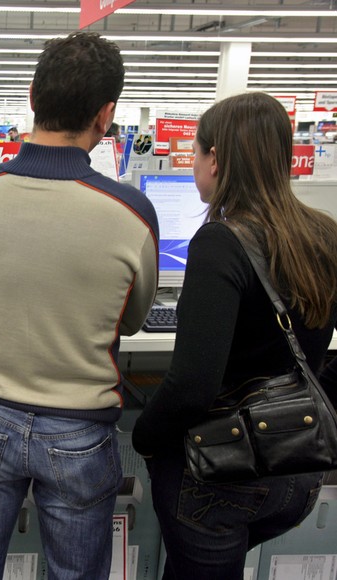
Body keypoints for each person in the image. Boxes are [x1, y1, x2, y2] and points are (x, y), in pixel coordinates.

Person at [0, 31, 159, 580]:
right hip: (80, 431)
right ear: (106, 115)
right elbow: (131, 322)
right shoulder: (131, 212)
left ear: (33, 96)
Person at [131, 92, 337, 580]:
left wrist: (144, 439)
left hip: (223, 473)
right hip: (298, 470)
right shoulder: (324, 235)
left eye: (197, 154)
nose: (195, 166)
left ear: (216, 159)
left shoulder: (221, 242)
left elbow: (192, 386)